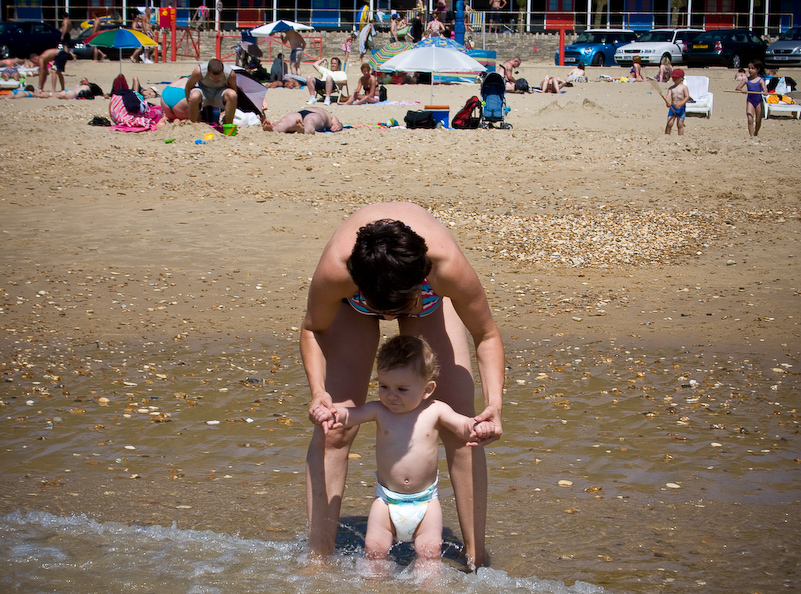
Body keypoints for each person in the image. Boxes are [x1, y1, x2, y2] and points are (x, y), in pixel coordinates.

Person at [300, 202, 504, 570]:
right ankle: (318, 559)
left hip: (426, 302)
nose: (391, 318)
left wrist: (495, 405)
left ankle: (478, 559)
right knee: (332, 429)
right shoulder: (339, 271)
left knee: (465, 431)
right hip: (355, 307)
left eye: (398, 308)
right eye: (385, 309)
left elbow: (486, 333)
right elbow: (313, 328)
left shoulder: (445, 267)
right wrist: (319, 392)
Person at [310, 335, 496, 573]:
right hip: (387, 502)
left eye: (402, 389)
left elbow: (463, 426)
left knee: (429, 555)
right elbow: (348, 415)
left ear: (427, 389)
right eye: (384, 386)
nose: (391, 395)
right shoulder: (378, 410)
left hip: (426, 503)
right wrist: (329, 414)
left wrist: (480, 427)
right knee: (374, 552)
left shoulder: (436, 411)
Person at [185, 58, 238, 126]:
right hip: (203, 91)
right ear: (208, 72)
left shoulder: (230, 74)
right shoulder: (199, 71)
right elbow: (188, 88)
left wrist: (227, 113)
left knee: (232, 95)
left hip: (220, 93)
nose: (215, 81)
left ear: (222, 72)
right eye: (212, 78)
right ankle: (192, 125)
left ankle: (228, 125)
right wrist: (193, 110)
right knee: (194, 96)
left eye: (218, 79)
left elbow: (234, 91)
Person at [736, 59, 768, 138]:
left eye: (752, 68)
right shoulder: (746, 79)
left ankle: (756, 132)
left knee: (758, 120)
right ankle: (752, 136)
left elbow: (765, 90)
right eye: (749, 68)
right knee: (750, 118)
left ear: (758, 69)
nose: (750, 70)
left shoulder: (761, 80)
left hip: (758, 101)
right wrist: (742, 90)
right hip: (750, 100)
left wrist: (765, 92)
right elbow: (737, 88)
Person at [261, 106, 343, 134]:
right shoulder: (327, 112)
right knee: (285, 121)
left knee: (311, 121)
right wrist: (278, 122)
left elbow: (337, 123)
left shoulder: (331, 116)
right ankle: (273, 129)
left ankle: (304, 130)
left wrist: (338, 124)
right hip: (301, 113)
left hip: (317, 115)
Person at [665, 68, 689, 136]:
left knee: (680, 124)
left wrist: (681, 104)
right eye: (673, 78)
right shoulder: (671, 88)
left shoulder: (684, 87)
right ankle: (667, 135)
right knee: (669, 123)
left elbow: (687, 97)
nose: (674, 79)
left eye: (676, 78)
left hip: (681, 108)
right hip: (672, 108)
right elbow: (668, 96)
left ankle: (680, 136)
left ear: (681, 78)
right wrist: (667, 102)